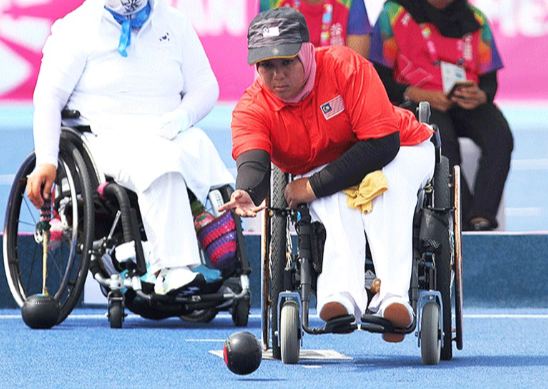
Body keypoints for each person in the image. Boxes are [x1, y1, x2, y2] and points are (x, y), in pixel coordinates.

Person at [220, 7, 435, 342]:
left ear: (307, 51)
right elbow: (254, 161)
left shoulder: (344, 66)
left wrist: (314, 186)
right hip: (330, 164)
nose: (278, 75)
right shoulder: (253, 107)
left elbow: (382, 144)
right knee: (333, 193)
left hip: (402, 147)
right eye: (267, 66)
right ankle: (342, 296)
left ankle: (393, 297)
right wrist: (247, 190)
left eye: (287, 61)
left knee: (381, 187)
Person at [25, 0, 235, 295]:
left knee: (199, 144)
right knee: (161, 159)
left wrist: (181, 117)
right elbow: (48, 98)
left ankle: (214, 230)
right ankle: (171, 269)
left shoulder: (174, 23)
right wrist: (46, 159)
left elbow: (205, 84)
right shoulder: (76, 28)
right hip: (107, 140)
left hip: (168, 129)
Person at [368, 0, 514, 231]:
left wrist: (481, 95)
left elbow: (489, 81)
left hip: (464, 102)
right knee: (441, 139)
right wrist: (413, 92)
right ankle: (462, 222)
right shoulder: (394, 14)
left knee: (500, 135)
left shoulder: (475, 19)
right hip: (418, 100)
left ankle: (482, 218)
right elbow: (377, 76)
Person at [261, 0, 373, 58]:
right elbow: (264, 61)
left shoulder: (351, 2)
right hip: (284, 94)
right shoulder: (270, 3)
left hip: (337, 94)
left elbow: (356, 68)